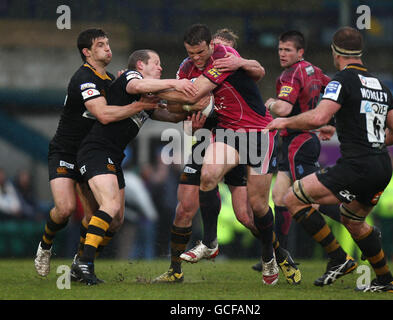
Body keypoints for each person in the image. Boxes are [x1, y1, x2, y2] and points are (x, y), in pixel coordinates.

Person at [265, 26, 393, 292]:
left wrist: (285, 120)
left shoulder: (342, 80)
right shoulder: (380, 85)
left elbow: (318, 116)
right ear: (359, 52)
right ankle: (387, 280)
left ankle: (338, 258)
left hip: (357, 166)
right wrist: (371, 142)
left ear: (335, 51)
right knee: (353, 220)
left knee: (292, 198)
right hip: (382, 166)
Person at [154, 24, 292, 285]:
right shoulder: (187, 66)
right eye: (190, 53)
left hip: (258, 133)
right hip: (223, 133)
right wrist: (183, 103)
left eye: (200, 52)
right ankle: (208, 243)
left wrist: (150, 89)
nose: (195, 58)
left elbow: (196, 93)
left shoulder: (224, 58)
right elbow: (180, 105)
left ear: (214, 47)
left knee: (255, 208)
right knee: (204, 180)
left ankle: (270, 255)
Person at [71, 49, 199, 285]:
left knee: (117, 220)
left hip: (112, 157)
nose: (161, 68)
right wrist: (180, 83)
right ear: (141, 65)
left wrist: (192, 112)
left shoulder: (147, 97)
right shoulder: (131, 77)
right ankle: (84, 264)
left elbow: (170, 116)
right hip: (95, 151)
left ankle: (80, 263)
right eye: (157, 63)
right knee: (109, 205)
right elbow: (136, 88)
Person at [34, 28, 150, 277]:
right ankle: (45, 246)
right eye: (100, 45)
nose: (107, 48)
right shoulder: (83, 78)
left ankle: (80, 262)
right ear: (87, 52)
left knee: (102, 218)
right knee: (64, 209)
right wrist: (137, 105)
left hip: (90, 153)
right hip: (66, 151)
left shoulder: (110, 80)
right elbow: (104, 114)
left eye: (108, 43)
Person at [254, 31, 355, 286]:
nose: (282, 54)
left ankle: (353, 221)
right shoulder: (314, 70)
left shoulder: (290, 74)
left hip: (297, 143)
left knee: (311, 199)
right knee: (279, 197)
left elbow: (286, 109)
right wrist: (329, 121)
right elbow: (333, 91)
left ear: (300, 52)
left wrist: (270, 103)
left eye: (288, 50)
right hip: (299, 142)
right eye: (280, 49)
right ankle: (280, 255)